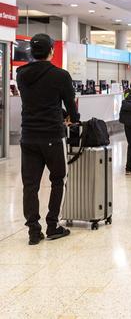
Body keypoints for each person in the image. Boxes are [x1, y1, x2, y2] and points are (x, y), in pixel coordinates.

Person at [17, 33, 80, 245]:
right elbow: (71, 108)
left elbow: (37, 101)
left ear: (32, 52)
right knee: (58, 180)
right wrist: (71, 118)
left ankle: (33, 231)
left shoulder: (21, 74)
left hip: (28, 137)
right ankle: (52, 225)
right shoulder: (61, 75)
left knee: (30, 185)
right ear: (51, 50)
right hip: (52, 135)